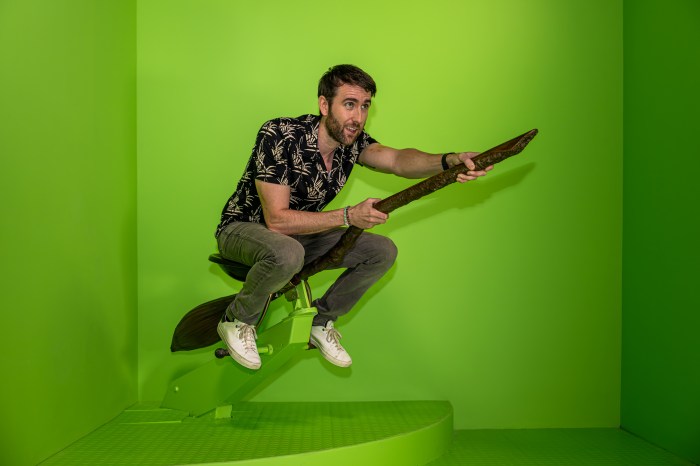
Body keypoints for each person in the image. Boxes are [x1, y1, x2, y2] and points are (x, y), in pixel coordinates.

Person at [215, 64, 491, 370]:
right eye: (349, 105)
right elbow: (277, 221)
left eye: (364, 106)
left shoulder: (352, 144)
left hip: (300, 237)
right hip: (243, 230)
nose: (357, 117)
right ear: (324, 104)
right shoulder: (280, 134)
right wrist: (348, 215)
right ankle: (238, 319)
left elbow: (399, 160)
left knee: (381, 251)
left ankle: (320, 322)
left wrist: (448, 161)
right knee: (287, 250)